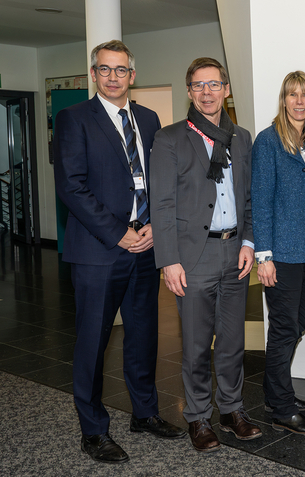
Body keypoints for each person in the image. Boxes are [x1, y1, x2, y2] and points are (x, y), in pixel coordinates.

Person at [53, 39, 185, 464]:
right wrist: (118, 232)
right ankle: (92, 430)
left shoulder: (148, 119)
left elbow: (159, 179)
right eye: (105, 69)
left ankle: (144, 413)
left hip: (146, 246)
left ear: (133, 74)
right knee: (93, 342)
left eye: (121, 70)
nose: (113, 77)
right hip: (99, 250)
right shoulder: (73, 118)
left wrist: (152, 229)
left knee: (144, 337)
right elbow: (71, 186)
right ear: (94, 74)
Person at [150, 57, 261, 452]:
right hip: (192, 256)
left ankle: (231, 410)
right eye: (199, 85)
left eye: (214, 84)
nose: (207, 92)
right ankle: (198, 416)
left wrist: (249, 242)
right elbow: (160, 204)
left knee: (232, 342)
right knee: (197, 345)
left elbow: (249, 196)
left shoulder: (242, 137)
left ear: (226, 89)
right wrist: (169, 260)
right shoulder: (170, 138)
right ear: (189, 91)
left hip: (236, 252)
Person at [252, 70, 305, 436]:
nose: (299, 101)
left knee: (296, 324)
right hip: (282, 249)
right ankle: (281, 407)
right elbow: (260, 202)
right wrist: (264, 256)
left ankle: (274, 391)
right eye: (292, 95)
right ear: (283, 100)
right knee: (284, 328)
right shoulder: (269, 141)